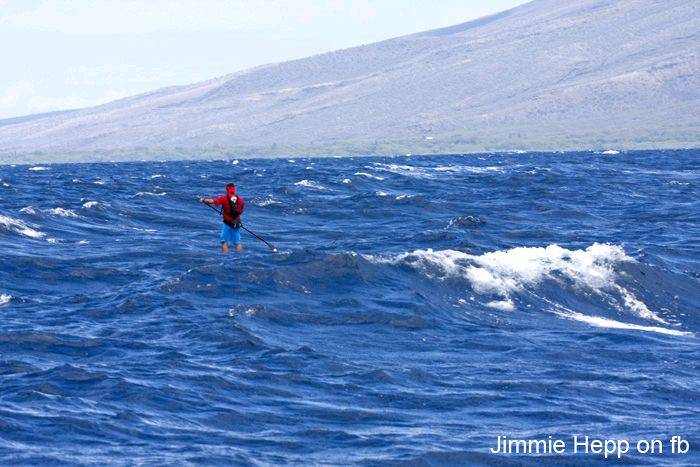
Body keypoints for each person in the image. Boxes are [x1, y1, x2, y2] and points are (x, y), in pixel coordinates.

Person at [200, 183, 245, 253]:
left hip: (227, 223)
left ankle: (225, 257)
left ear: (227, 189)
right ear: (234, 189)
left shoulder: (223, 198)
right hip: (237, 223)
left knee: (224, 242)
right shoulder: (240, 199)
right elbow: (241, 210)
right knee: (237, 242)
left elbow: (213, 202)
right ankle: (241, 256)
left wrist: (203, 200)